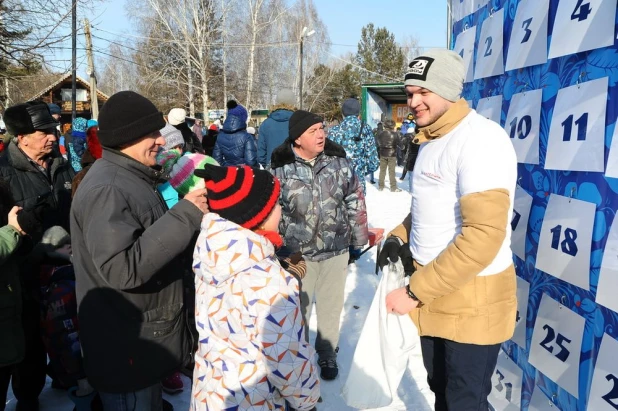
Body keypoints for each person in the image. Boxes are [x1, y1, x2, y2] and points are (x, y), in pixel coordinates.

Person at [378, 49, 517, 411]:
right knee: (441, 392)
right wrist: (398, 236)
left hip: (472, 302)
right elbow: (429, 208)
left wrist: (413, 292)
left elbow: (482, 236)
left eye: (424, 92)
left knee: (463, 403)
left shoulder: (481, 140)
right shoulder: (430, 139)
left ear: (449, 90)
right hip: (434, 295)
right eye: (409, 93)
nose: (413, 102)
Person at [71, 91, 209, 411]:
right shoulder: (109, 187)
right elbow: (122, 268)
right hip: (127, 350)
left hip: (141, 341)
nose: (161, 141)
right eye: (152, 133)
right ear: (128, 137)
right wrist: (186, 214)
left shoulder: (132, 177)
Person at [191, 163, 320, 410]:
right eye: (276, 205)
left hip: (211, 393)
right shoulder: (269, 282)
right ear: (259, 215)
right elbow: (287, 359)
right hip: (254, 400)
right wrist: (307, 402)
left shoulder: (213, 254)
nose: (281, 210)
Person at [270, 110, 368, 381]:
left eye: (322, 128)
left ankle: (327, 353)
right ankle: (297, 356)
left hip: (335, 250)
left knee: (331, 306)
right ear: (297, 138)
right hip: (296, 255)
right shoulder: (280, 169)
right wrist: (276, 248)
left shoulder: (339, 163)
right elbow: (272, 212)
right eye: (313, 131)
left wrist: (358, 241)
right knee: (297, 309)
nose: (321, 134)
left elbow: (355, 201)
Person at [0, 101, 74, 410]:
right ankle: (27, 397)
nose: (52, 136)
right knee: (29, 343)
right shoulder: (3, 176)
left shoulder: (61, 165)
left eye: (53, 130)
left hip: (65, 272)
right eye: (44, 132)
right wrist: (40, 249)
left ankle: (62, 373)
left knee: (64, 330)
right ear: (22, 136)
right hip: (24, 278)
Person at [327, 97, 379, 193]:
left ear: (342, 113)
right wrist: (361, 171)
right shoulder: (365, 129)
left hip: (336, 184)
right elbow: (374, 163)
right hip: (357, 184)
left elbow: (327, 160)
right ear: (358, 113)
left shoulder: (333, 131)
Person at [257, 89, 296, 169]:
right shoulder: (298, 122)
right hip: (294, 169)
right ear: (293, 103)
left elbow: (261, 153)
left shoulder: (265, 124)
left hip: (272, 168)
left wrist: (266, 165)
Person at [212, 100, 257, 167]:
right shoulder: (247, 137)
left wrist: (228, 167)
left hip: (226, 174)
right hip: (243, 174)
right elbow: (250, 161)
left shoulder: (220, 136)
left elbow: (216, 161)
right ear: (243, 118)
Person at [376, 119, 401, 192]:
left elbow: (378, 142)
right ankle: (393, 187)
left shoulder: (381, 133)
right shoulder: (395, 134)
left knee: (382, 171)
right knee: (392, 171)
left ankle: (381, 186)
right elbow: (401, 146)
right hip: (392, 155)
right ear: (393, 126)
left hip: (382, 153)